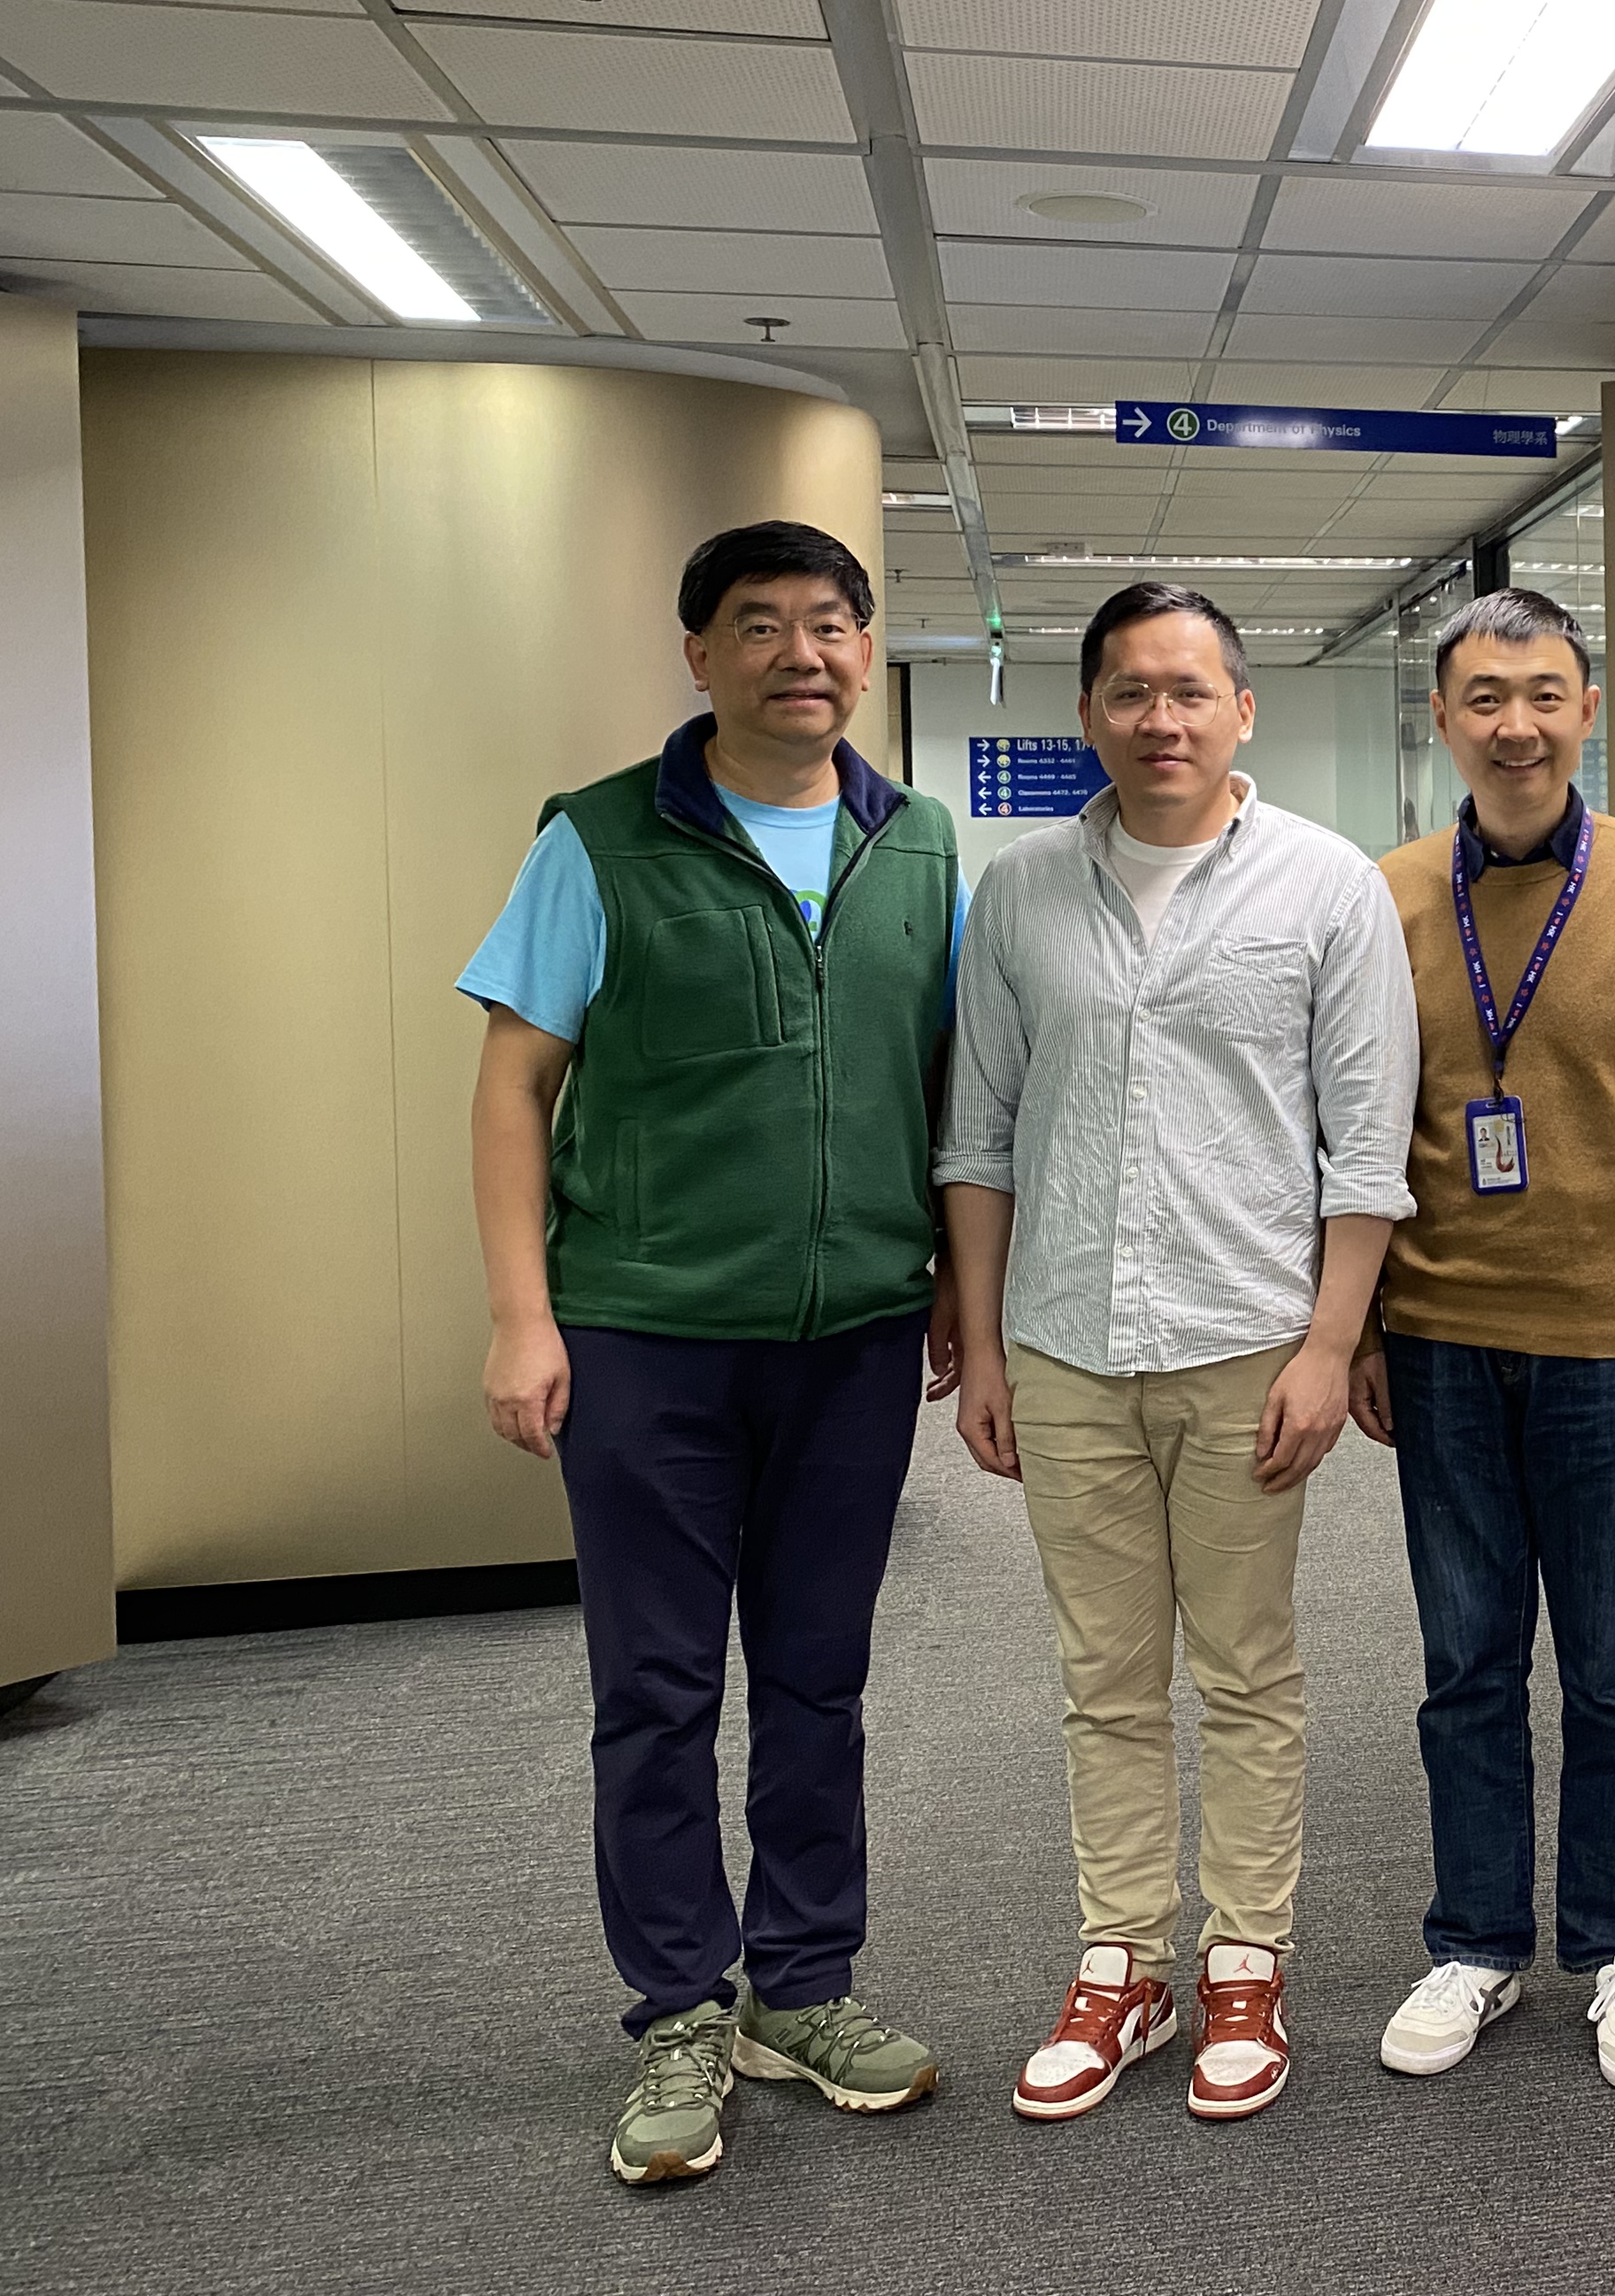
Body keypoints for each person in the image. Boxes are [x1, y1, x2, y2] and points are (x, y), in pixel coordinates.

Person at [461, 520, 962, 2188]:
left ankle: (802, 1987)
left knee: (820, 1678)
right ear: (699, 655)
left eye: (829, 624)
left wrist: (953, 1285)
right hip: (647, 1336)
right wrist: (522, 1315)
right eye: (758, 625)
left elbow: (947, 1091)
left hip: (855, 1337)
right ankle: (680, 2004)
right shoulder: (601, 838)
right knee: (660, 1688)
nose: (799, 654)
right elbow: (514, 1085)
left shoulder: (919, 846)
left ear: (865, 652)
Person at [940, 582, 1418, 2127]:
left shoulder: (1327, 886)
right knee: (1106, 1673)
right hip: (1066, 1343)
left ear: (1241, 711)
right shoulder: (1019, 890)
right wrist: (985, 1342)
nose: (1162, 719)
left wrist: (1331, 1346)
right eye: (1132, 692)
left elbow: (1368, 1145)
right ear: (1088, 712)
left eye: (1191, 691)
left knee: (1248, 1666)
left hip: (1247, 1344)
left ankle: (1246, 1960)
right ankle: (1124, 1962)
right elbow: (979, 1134)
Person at [1352, 585, 1615, 2093]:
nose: (1515, 725)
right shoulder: (1388, 892)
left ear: (1587, 711)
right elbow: (1351, 1122)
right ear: (1445, 719)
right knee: (1465, 1664)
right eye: (1485, 698)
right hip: (1441, 1338)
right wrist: (1360, 1327)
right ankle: (1475, 1942)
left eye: (1544, 695)